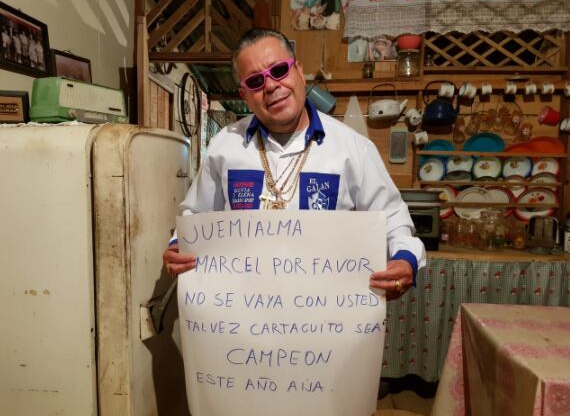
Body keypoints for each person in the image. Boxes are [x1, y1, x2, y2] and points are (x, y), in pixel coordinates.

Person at [163, 28, 426, 300]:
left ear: (299, 71)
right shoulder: (225, 146)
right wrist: (179, 244)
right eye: (255, 81)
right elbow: (196, 214)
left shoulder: (354, 149)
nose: (270, 86)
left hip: (327, 311)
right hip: (243, 311)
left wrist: (404, 258)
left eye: (279, 71)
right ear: (244, 95)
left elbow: (392, 218)